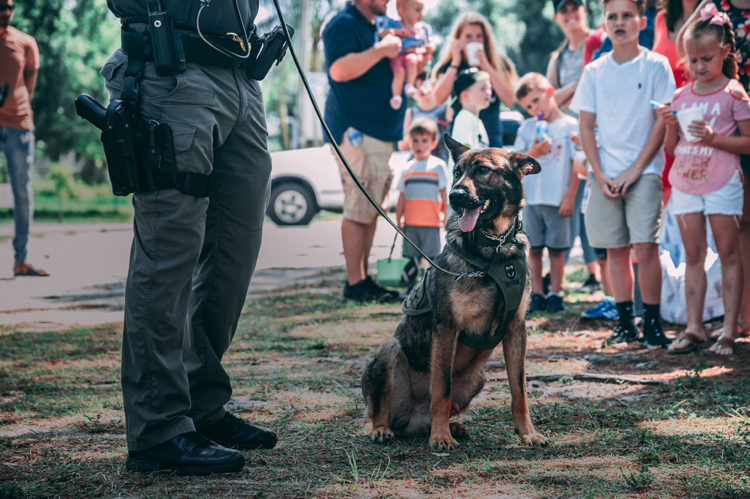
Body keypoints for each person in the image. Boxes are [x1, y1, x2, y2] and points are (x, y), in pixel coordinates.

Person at [101, 0, 277, 474]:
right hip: (173, 69)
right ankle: (158, 427)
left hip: (241, 74)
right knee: (168, 255)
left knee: (234, 252)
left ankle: (200, 405)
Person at [570, 0, 676, 349]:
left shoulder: (656, 65)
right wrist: (598, 174)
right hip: (605, 174)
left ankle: (653, 324)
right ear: (604, 23)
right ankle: (625, 322)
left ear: (641, 21)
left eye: (627, 15)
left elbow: (662, 121)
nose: (619, 22)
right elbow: (586, 125)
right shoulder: (594, 71)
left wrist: (635, 169)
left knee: (646, 247)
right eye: (612, 16)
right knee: (614, 250)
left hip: (643, 171)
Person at [661, 8, 748, 355]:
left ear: (725, 51)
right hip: (685, 183)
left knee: (728, 253)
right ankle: (693, 327)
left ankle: (729, 331)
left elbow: (748, 142)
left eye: (706, 58)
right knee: (692, 255)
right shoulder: (682, 96)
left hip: (723, 182)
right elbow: (673, 146)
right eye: (692, 60)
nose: (698, 66)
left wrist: (714, 139)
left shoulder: (734, 93)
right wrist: (670, 123)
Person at [323, 0, 406, 303]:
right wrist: (383, 50)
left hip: (378, 132)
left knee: (370, 207)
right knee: (359, 206)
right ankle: (355, 284)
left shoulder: (374, 27)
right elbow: (340, 70)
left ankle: (363, 279)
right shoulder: (343, 23)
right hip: (356, 130)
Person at [546, 0, 604, 297]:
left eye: (575, 8)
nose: (570, 15)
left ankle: (599, 273)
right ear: (557, 17)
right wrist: (577, 87)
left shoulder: (600, 40)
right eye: (564, 10)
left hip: (597, 132)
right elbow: (551, 97)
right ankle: (587, 273)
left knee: (592, 204)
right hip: (569, 137)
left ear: (584, 10)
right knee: (574, 205)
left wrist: (570, 93)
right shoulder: (558, 57)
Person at [514, 73, 580, 313]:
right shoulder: (527, 127)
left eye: (536, 100)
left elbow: (576, 164)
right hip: (532, 200)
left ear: (550, 92)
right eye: (528, 106)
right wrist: (535, 152)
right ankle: (537, 293)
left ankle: (556, 293)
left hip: (557, 199)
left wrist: (570, 195)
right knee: (534, 249)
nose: (534, 109)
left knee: (556, 249)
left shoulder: (569, 125)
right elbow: (516, 163)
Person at [0, 0, 47, 277]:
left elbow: (29, 83)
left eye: (9, 6)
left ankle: (21, 260)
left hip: (19, 126)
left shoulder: (25, 42)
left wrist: (17, 106)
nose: (5, 12)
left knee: (22, 194)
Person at [432, 12, 516, 148]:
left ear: (485, 39)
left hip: (491, 136)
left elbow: (510, 100)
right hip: (460, 137)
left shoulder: (498, 64)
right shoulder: (450, 66)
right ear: (458, 39)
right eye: (468, 37)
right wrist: (455, 62)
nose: (474, 41)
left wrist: (486, 66)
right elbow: (438, 99)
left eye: (479, 36)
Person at [653, 0, 701, 204]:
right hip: (663, 118)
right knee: (664, 201)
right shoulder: (660, 18)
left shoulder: (713, 14)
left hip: (697, 114)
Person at [395, 118, 448, 268]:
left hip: (431, 221)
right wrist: (399, 218)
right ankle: (411, 288)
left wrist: (445, 214)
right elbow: (402, 196)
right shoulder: (407, 169)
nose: (419, 145)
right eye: (415, 141)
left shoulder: (438, 166)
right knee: (411, 258)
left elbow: (444, 193)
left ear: (433, 143)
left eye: (424, 141)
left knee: (432, 258)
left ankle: (431, 289)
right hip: (410, 223)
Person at [378, 0, 433, 110]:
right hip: (398, 56)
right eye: (417, 10)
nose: (421, 14)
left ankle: (410, 85)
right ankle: (396, 96)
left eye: (422, 10)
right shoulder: (396, 25)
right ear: (402, 11)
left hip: (412, 56)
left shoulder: (423, 29)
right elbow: (381, 33)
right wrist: (397, 32)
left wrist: (430, 48)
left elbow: (430, 43)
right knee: (399, 72)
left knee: (412, 60)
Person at [397, 72, 450, 162]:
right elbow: (402, 146)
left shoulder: (445, 109)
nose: (420, 89)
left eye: (422, 84)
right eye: (415, 87)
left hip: (440, 161)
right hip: (417, 162)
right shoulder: (411, 112)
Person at [450, 68, 492, 151]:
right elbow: (465, 153)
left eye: (489, 88)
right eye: (483, 88)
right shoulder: (465, 118)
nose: (489, 92)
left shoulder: (475, 120)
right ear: (465, 95)